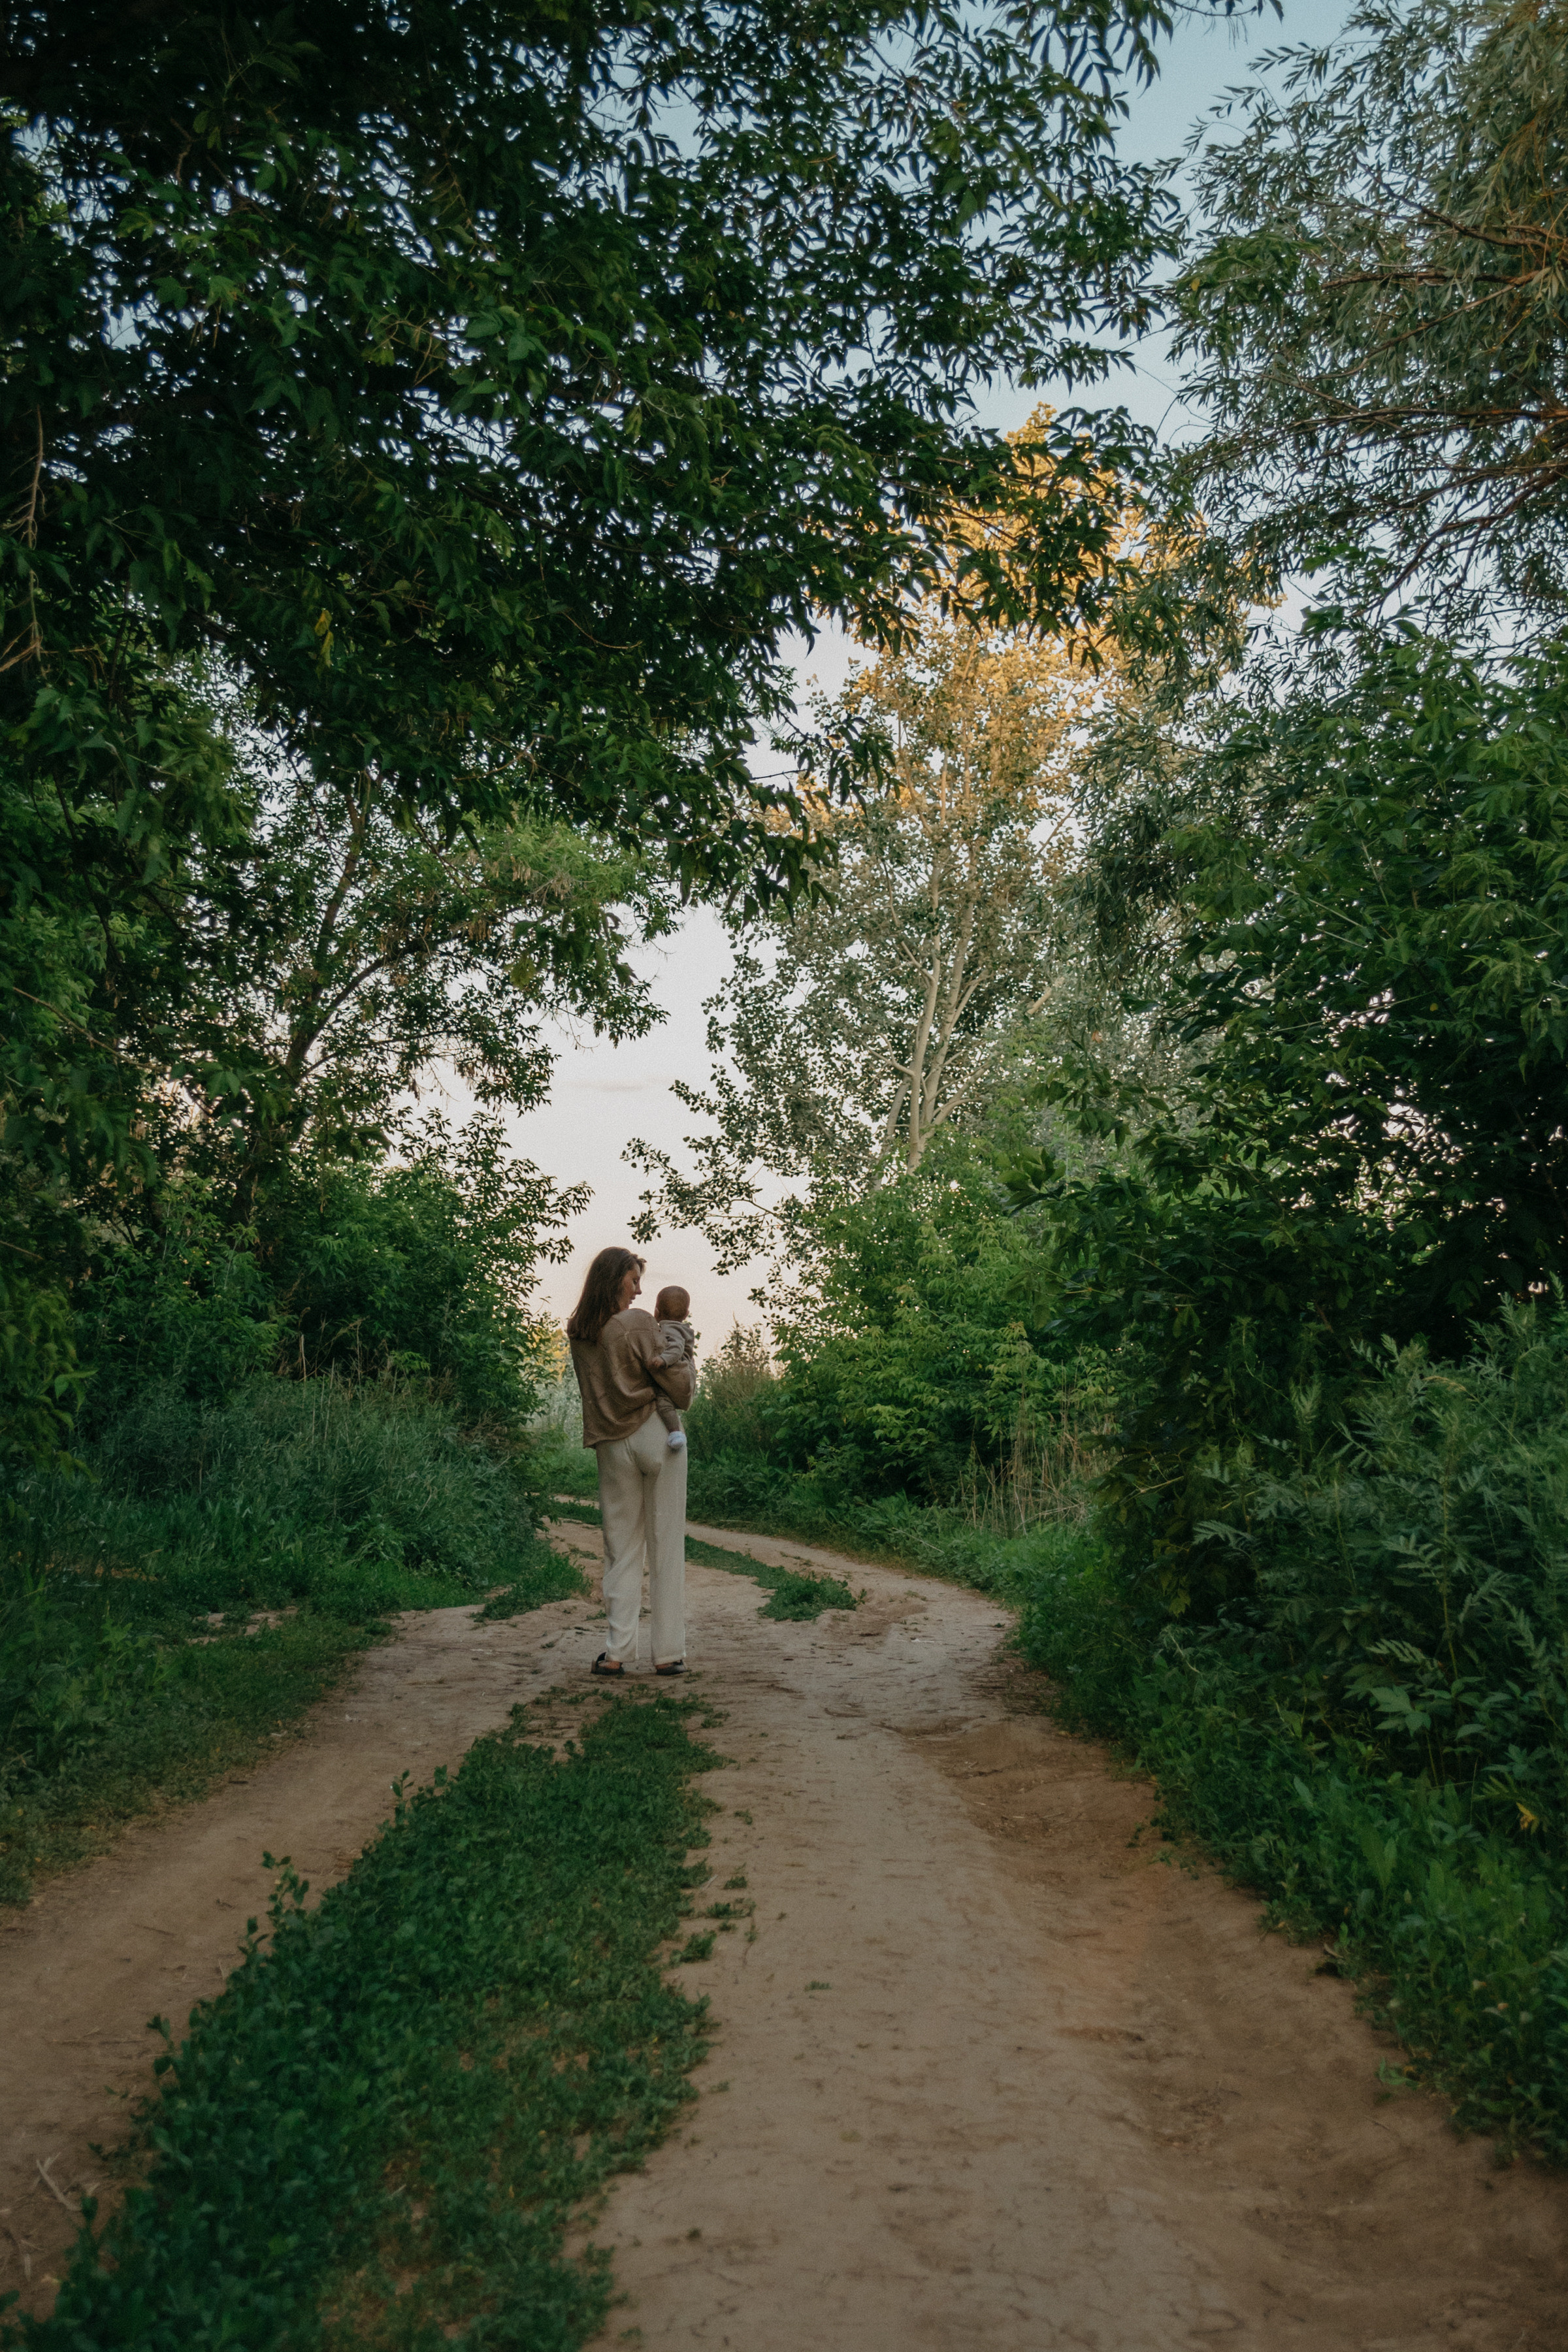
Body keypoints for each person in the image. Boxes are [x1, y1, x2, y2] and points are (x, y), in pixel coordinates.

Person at [566, 1247, 694, 1678]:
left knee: (620, 1549)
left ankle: (617, 1653)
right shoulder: (637, 1323)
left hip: (610, 1441)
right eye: (634, 1280)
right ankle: (668, 1654)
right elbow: (680, 1389)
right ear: (615, 1278)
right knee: (666, 1544)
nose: (639, 1291)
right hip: (658, 1435)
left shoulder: (580, 1333)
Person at [649, 1284, 696, 1452]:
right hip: (686, 1377)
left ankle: (675, 1433)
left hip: (678, 1373)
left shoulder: (670, 1328)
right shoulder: (681, 1328)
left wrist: (663, 1359)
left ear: (656, 1312)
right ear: (686, 1314)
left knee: (663, 1401)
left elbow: (676, 1348)